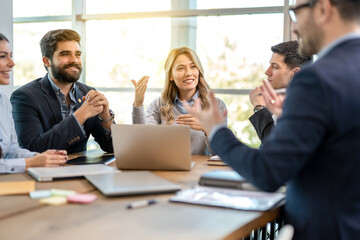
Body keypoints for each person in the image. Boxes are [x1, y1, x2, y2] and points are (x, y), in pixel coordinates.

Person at [184, 0, 360, 239]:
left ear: (323, 9)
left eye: (296, 12)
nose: (295, 27)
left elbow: (267, 173)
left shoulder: (314, 80)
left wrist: (216, 130)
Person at [10, 29, 114, 154]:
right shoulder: (24, 97)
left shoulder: (88, 92)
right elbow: (33, 149)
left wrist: (106, 118)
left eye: (78, 54)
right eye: (65, 54)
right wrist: (81, 115)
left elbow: (111, 148)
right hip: (44, 172)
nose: (74, 60)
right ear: (46, 61)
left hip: (82, 170)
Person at [131, 47, 226, 155]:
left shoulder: (216, 106)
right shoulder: (158, 105)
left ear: (198, 70)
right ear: (170, 75)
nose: (188, 73)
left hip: (200, 170)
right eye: (181, 68)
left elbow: (222, 153)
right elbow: (143, 141)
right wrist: (138, 104)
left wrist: (208, 129)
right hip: (166, 169)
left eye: (193, 66)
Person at [0, 33, 68, 173]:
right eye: (2, 56)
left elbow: (11, 150)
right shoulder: (23, 96)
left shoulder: (4, 101)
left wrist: (39, 157)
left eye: (10, 55)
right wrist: (29, 163)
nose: (11, 63)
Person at [249, 41, 311, 141]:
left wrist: (259, 108)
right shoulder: (286, 102)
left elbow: (275, 148)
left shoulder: (307, 107)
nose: (267, 72)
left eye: (275, 67)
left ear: (295, 73)